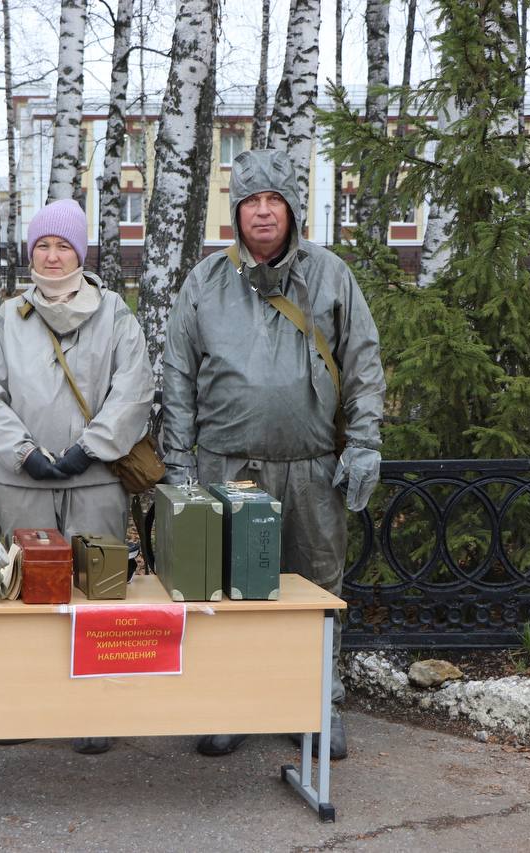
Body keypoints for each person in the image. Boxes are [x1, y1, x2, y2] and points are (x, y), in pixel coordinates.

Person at [161, 149, 386, 760]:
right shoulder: (205, 283)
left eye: (274, 202)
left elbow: (364, 363)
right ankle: (231, 701)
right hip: (226, 470)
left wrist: (364, 444)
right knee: (231, 592)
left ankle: (317, 702)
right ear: (235, 214)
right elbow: (178, 377)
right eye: (251, 203)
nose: (263, 213)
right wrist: (178, 464)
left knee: (315, 587)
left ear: (292, 210)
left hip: (312, 469)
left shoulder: (331, 275)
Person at [0, 200, 155, 755]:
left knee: (94, 593)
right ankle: (25, 705)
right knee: (27, 594)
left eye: (63, 246)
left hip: (95, 481)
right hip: (23, 482)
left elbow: (134, 388)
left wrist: (89, 448)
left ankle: (92, 709)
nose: (52, 257)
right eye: (42, 246)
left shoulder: (117, 315)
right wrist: (23, 451)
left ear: (82, 251)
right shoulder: (8, 318)